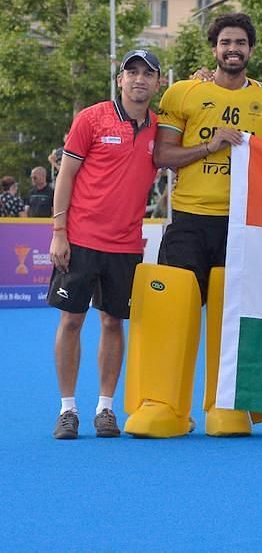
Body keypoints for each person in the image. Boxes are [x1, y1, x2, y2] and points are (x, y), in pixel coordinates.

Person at [124, 12, 262, 438]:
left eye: (241, 43)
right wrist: (210, 145)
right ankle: (164, 406)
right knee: (171, 311)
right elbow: (163, 157)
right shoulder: (183, 94)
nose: (233, 49)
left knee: (232, 316)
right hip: (190, 220)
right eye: (225, 42)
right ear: (214, 49)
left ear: (251, 50)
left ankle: (227, 405)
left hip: (244, 226)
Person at [48, 50, 161, 439]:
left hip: (126, 244)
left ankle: (105, 408)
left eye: (148, 73)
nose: (139, 79)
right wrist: (58, 231)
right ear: (120, 80)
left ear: (158, 83)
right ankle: (67, 410)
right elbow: (66, 175)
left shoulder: (158, 129)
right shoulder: (91, 119)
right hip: (79, 239)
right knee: (71, 320)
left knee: (113, 322)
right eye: (132, 72)